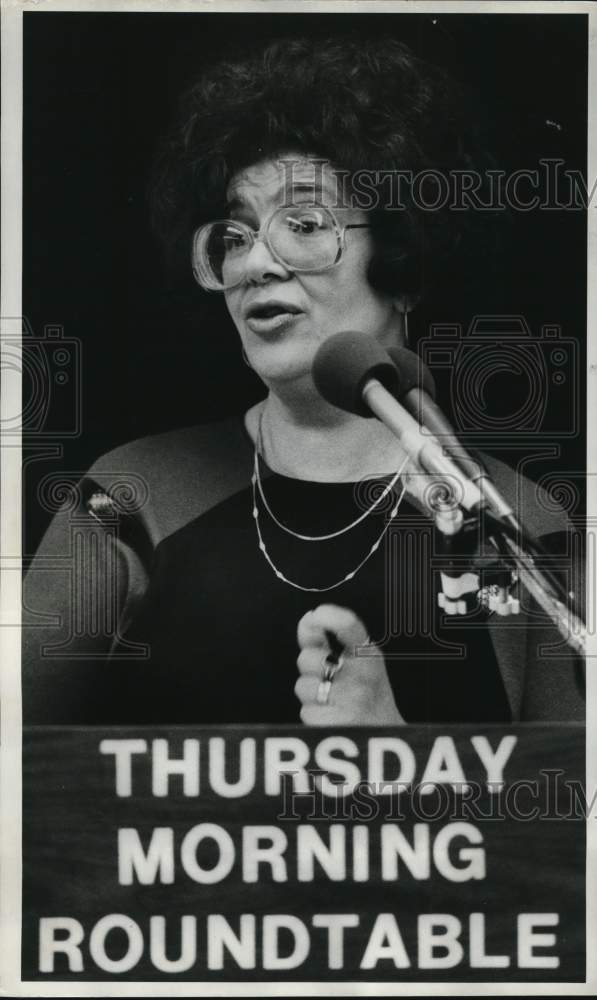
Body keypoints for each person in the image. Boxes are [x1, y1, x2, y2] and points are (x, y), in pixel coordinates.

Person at [22, 36, 584, 725]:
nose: (255, 263)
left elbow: (564, 820)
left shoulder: (521, 522)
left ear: (405, 265)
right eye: (233, 235)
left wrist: (392, 763)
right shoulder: (126, 498)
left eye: (305, 223)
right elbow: (11, 784)